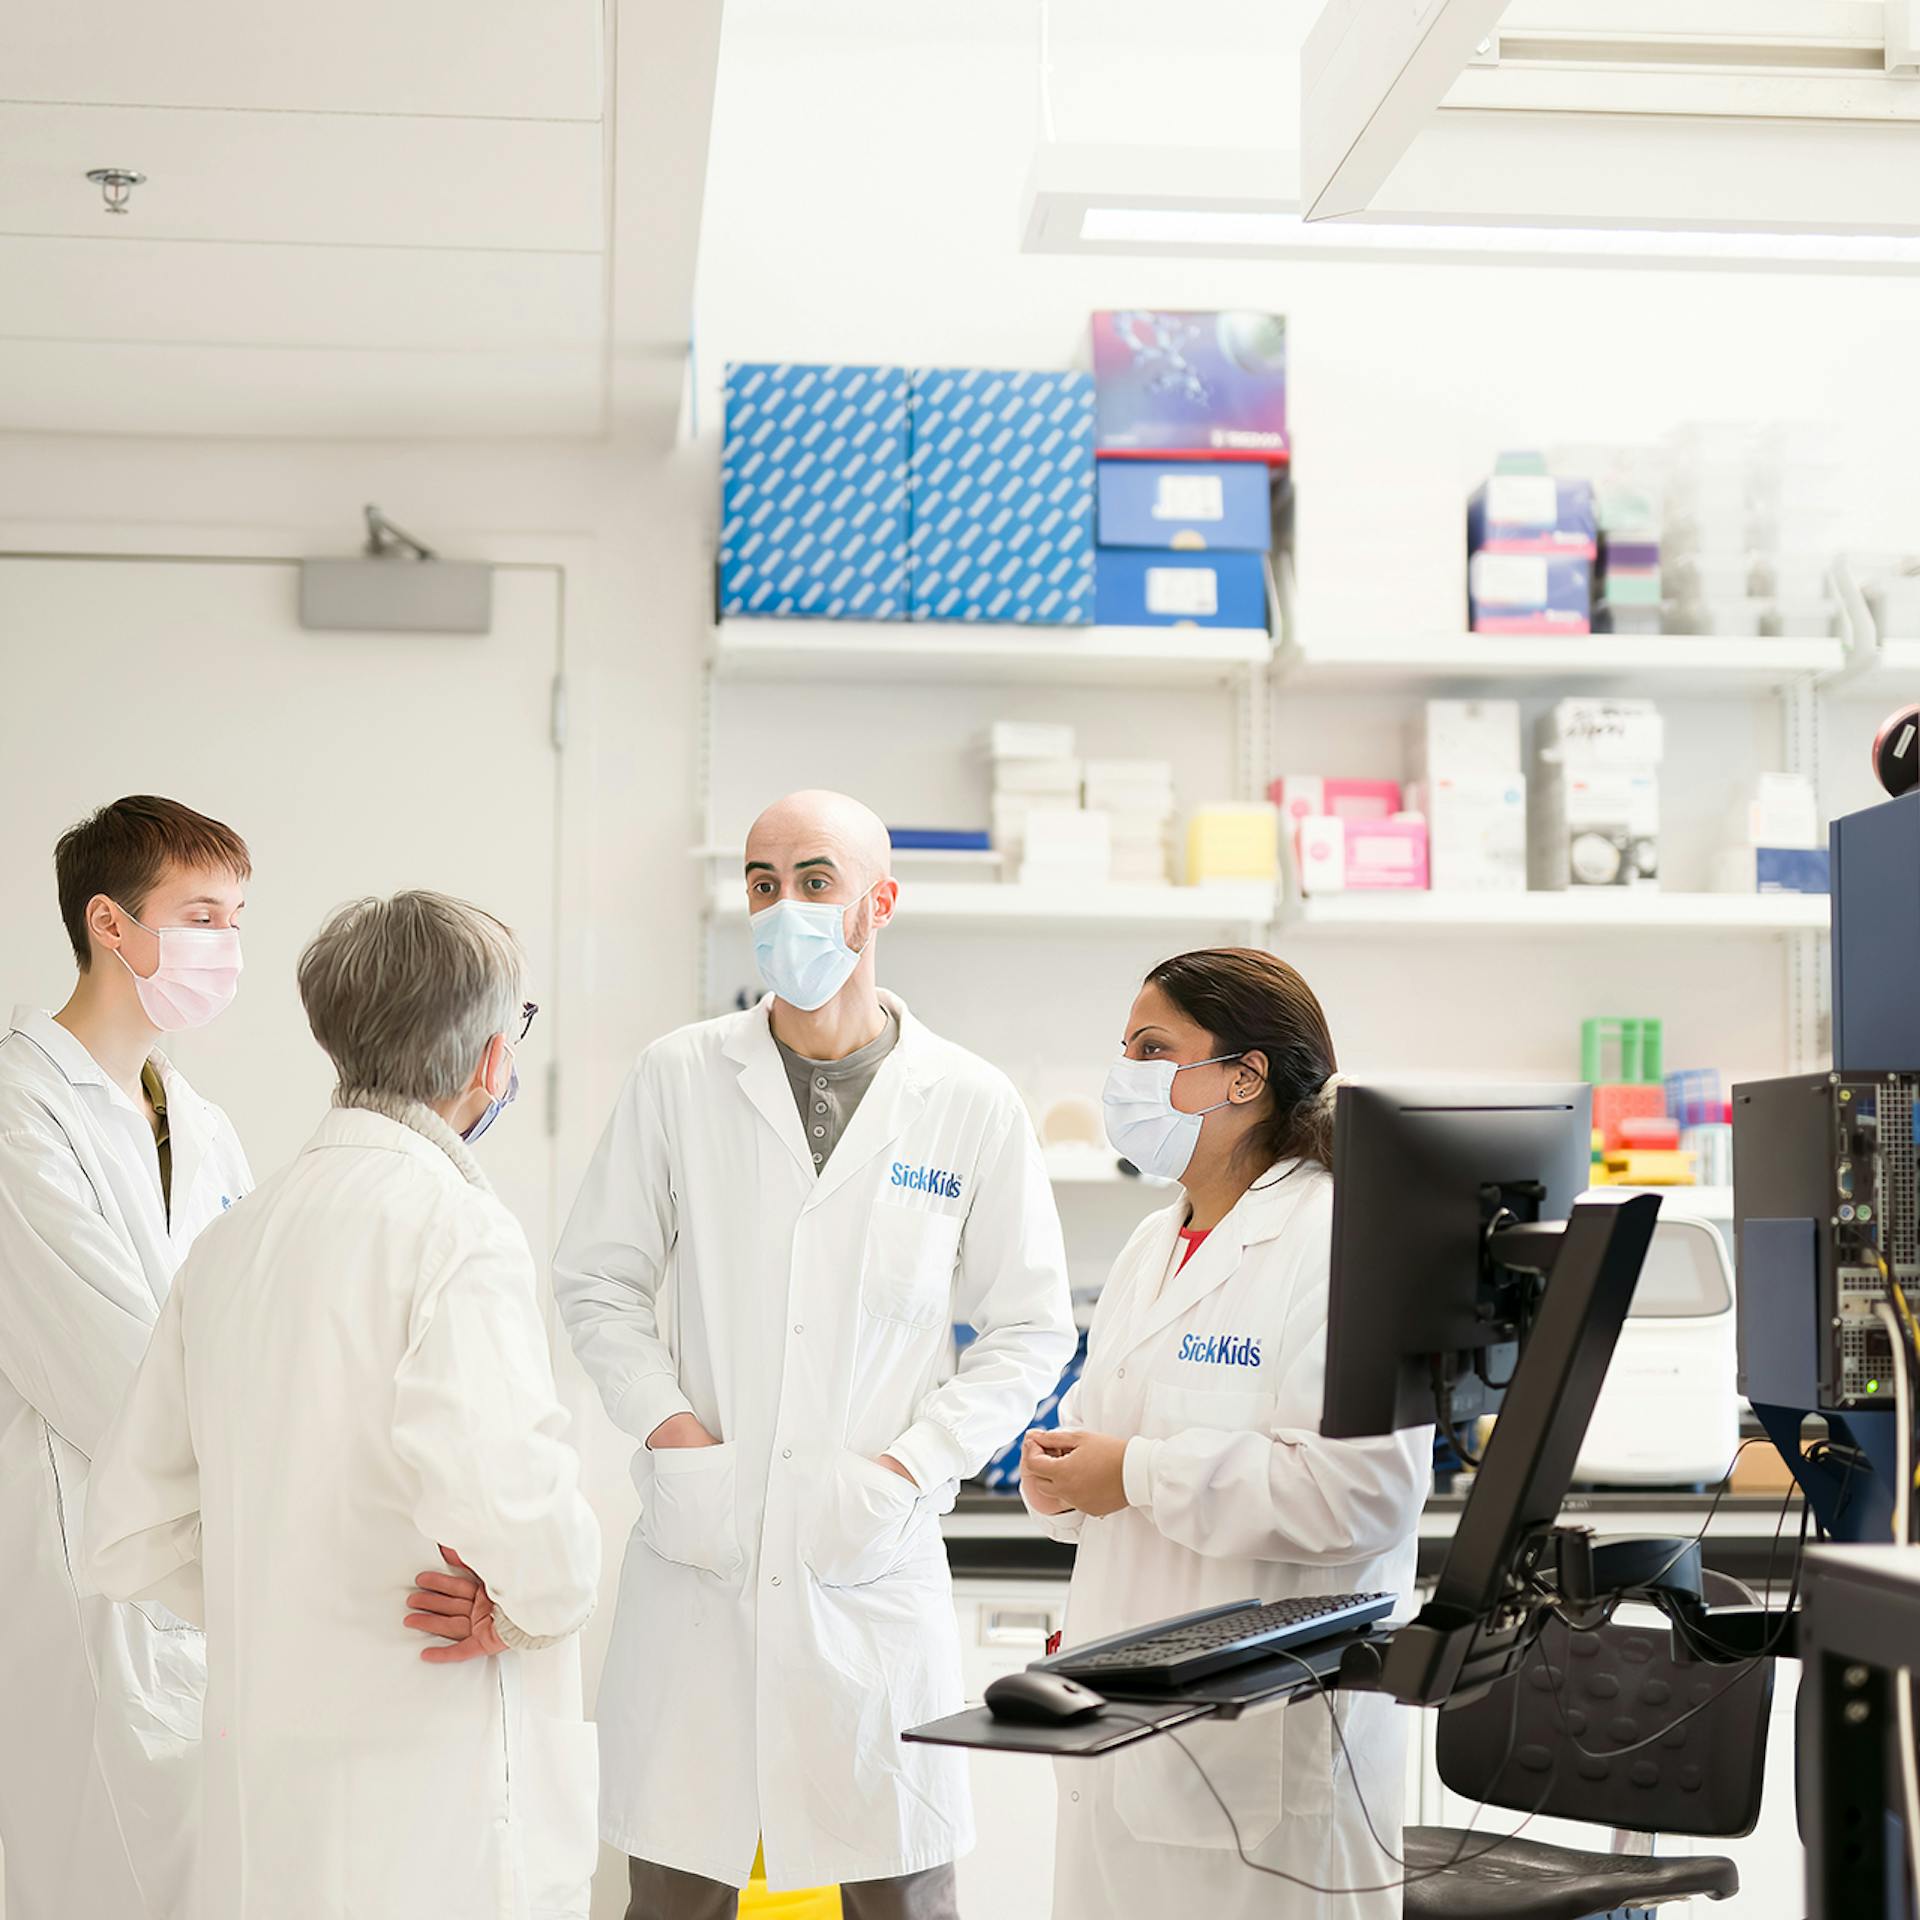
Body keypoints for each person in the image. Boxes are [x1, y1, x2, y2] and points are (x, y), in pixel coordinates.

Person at [555, 788, 1076, 1919]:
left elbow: (1032, 1326)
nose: (782, 904)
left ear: (877, 903)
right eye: (761, 881)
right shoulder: (678, 1076)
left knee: (903, 1896)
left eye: (814, 880)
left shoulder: (970, 1103)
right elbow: (597, 1280)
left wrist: (908, 1468)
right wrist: (673, 1430)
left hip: (868, 1562)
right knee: (674, 1897)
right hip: (706, 1555)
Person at [85, 890, 603, 1920]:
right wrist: (535, 1606)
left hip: (268, 1778)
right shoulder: (455, 1228)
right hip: (425, 1775)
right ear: (491, 1060)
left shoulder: (237, 1240)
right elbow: (514, 1500)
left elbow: (132, 1529)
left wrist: (275, 1582)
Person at [1021, 947, 1430, 1920]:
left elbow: (1364, 1493)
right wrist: (1065, 1479)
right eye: (1125, 1049)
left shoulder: (1337, 1239)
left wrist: (1141, 1474)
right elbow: (1110, 1438)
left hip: (1262, 1767)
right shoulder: (1150, 1240)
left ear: (1246, 1075)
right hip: (1120, 1726)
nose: (1126, 1077)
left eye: (1154, 1048)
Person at [0, 795, 253, 1920]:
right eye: (202, 915)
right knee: (81, 1871)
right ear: (111, 923)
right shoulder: (18, 1110)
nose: (227, 947)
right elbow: (111, 1370)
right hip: (75, 1554)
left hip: (196, 1565)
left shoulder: (201, 1123)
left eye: (238, 918)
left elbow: (249, 1331)